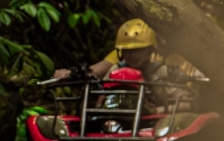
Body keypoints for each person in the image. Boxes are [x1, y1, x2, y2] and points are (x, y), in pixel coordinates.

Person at [53, 18, 204, 92]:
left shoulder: (191, 54)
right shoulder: (129, 49)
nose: (131, 55)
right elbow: (96, 71)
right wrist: (70, 73)